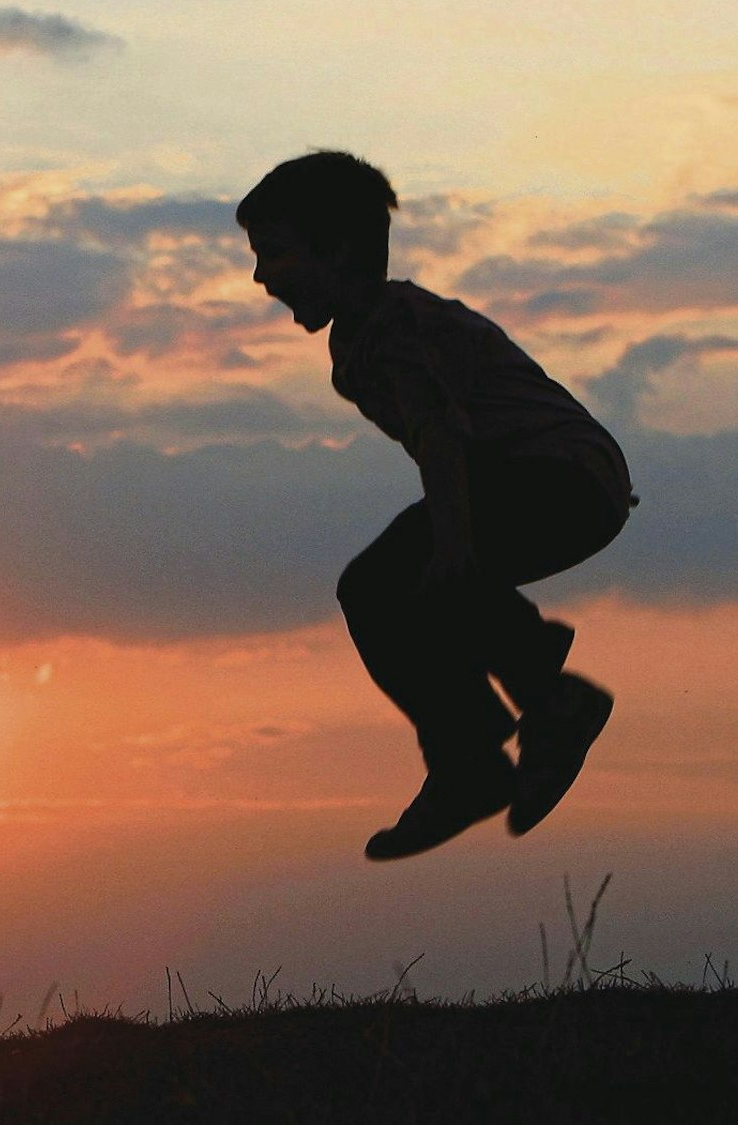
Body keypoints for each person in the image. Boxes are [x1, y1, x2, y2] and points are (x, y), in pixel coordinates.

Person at [235, 151, 635, 861]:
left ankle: (494, 745)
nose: (261, 276)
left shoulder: (393, 329)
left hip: (553, 475)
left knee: (385, 581)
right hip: (565, 479)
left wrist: (455, 544)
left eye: (274, 254)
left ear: (339, 252)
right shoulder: (363, 339)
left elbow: (441, 438)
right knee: (414, 584)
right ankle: (516, 722)